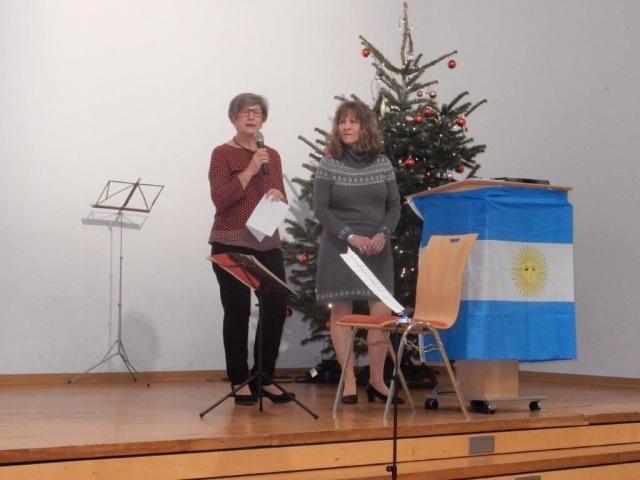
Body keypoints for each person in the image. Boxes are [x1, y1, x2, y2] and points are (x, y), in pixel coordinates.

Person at [313, 99, 403, 405]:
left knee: (382, 314)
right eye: (342, 121)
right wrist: (350, 236)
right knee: (342, 313)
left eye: (353, 121)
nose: (347, 127)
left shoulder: (383, 163)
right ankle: (349, 380)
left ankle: (377, 381)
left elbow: (394, 205)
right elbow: (321, 208)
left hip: (377, 249)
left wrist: (383, 233)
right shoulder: (329, 164)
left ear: (365, 126)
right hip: (341, 248)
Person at [208, 93, 294, 406]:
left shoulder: (272, 155)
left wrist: (278, 195)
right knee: (237, 311)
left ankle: (264, 378)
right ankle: (239, 380)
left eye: (256, 112)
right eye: (244, 112)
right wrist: (249, 170)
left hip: (266, 240)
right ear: (233, 118)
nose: (251, 117)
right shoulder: (222, 154)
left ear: (263, 120)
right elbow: (220, 199)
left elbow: (280, 195)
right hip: (230, 241)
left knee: (276, 306)